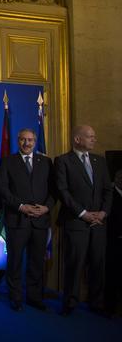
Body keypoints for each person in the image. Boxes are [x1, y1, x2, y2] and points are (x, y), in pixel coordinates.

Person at [55, 125, 112, 316]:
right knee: (74, 264)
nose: (94, 140)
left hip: (98, 223)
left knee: (98, 265)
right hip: (76, 222)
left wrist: (103, 213)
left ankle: (96, 303)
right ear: (77, 139)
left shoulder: (100, 161)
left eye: (94, 137)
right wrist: (83, 213)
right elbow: (63, 192)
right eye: (90, 137)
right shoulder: (63, 161)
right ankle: (70, 303)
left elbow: (108, 190)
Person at [0, 128, 55, 312]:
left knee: (37, 261)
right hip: (17, 219)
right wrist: (21, 206)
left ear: (35, 141)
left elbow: (54, 190)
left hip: (40, 220)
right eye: (23, 140)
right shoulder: (7, 161)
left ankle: (34, 297)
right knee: (14, 261)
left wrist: (46, 207)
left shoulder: (46, 162)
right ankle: (15, 297)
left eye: (30, 140)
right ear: (18, 141)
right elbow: (3, 189)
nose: (26, 143)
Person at [105, 169, 122, 316]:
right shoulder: (109, 194)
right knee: (111, 276)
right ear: (116, 178)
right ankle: (109, 309)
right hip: (111, 242)